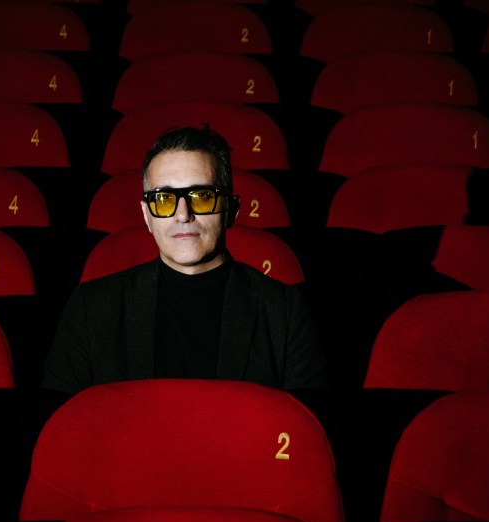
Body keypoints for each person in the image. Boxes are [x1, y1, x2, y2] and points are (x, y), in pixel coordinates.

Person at [38, 125, 327, 400]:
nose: (183, 214)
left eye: (202, 196)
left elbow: (306, 425)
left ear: (231, 209)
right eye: (164, 199)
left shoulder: (285, 312)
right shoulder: (91, 308)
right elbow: (60, 422)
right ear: (147, 216)